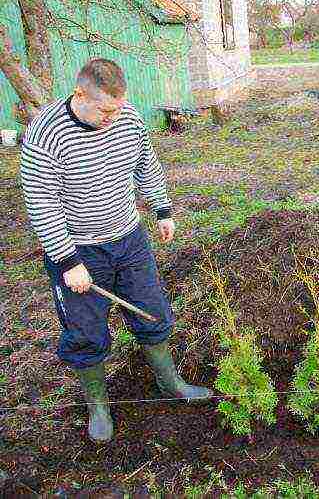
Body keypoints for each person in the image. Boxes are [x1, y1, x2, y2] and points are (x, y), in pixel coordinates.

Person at [20, 59, 212, 444]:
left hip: (129, 238)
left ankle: (168, 381)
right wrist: (68, 261)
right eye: (105, 110)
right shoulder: (44, 135)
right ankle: (98, 407)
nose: (113, 118)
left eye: (118, 108)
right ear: (80, 95)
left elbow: (144, 162)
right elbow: (42, 202)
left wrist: (161, 207)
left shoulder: (126, 118)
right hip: (79, 251)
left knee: (152, 310)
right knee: (86, 331)